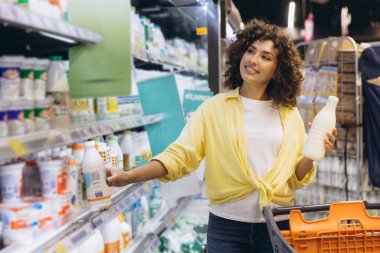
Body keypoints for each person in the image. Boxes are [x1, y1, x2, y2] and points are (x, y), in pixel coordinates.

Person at [107, 18, 337, 253]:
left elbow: (296, 176)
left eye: (266, 57)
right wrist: (128, 176)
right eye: (251, 51)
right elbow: (179, 156)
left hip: (277, 225)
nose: (253, 60)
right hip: (227, 228)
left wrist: (313, 150)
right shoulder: (214, 108)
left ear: (277, 70)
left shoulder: (289, 115)